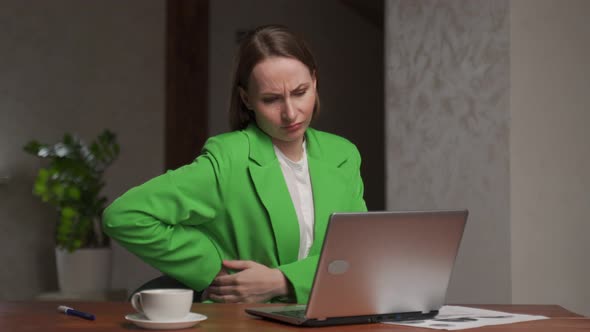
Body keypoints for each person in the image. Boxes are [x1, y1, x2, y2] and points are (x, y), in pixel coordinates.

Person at [102, 24, 367, 304]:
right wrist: (214, 269)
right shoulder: (229, 158)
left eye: (300, 92)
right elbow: (124, 216)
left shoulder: (343, 155)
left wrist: (282, 281)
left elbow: (358, 254)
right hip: (244, 321)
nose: (290, 113)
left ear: (315, 81)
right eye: (271, 99)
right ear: (246, 99)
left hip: (326, 315)